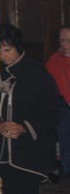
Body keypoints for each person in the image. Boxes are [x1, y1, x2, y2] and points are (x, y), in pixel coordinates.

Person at [0, 23, 60, 194]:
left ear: (18, 47)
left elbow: (52, 112)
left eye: (7, 50)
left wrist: (23, 127)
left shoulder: (37, 73)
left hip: (28, 154)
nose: (3, 56)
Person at [46, 25, 70, 176]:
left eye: (68, 41)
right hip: (63, 108)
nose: (64, 45)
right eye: (61, 41)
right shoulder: (55, 59)